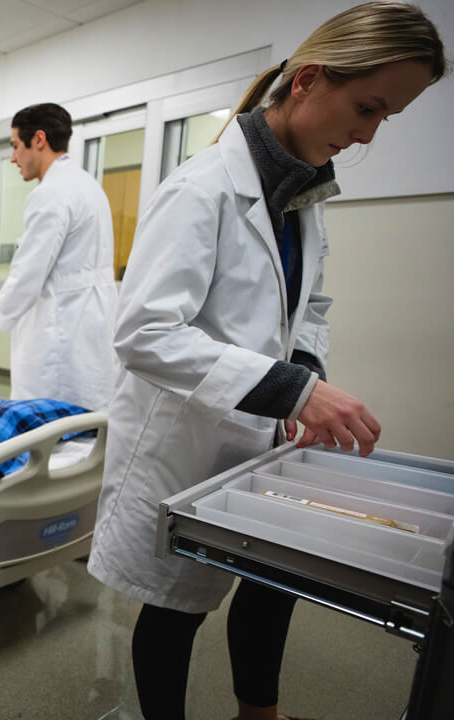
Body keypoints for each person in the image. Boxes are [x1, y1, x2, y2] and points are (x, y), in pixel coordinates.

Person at [85, 4, 444, 719]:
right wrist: (294, 391)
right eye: (366, 107)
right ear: (309, 80)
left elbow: (308, 309)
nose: (368, 133)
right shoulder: (201, 188)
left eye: (386, 119)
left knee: (273, 576)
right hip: (181, 441)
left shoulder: (303, 193)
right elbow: (145, 332)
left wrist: (302, 382)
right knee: (176, 605)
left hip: (258, 429)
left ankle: (261, 713)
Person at [0, 103, 117, 411]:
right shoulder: (88, 185)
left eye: (16, 146)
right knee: (83, 422)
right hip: (89, 331)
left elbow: (25, 278)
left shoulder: (51, 193)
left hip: (59, 335)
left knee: (47, 425)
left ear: (39, 140)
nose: (14, 158)